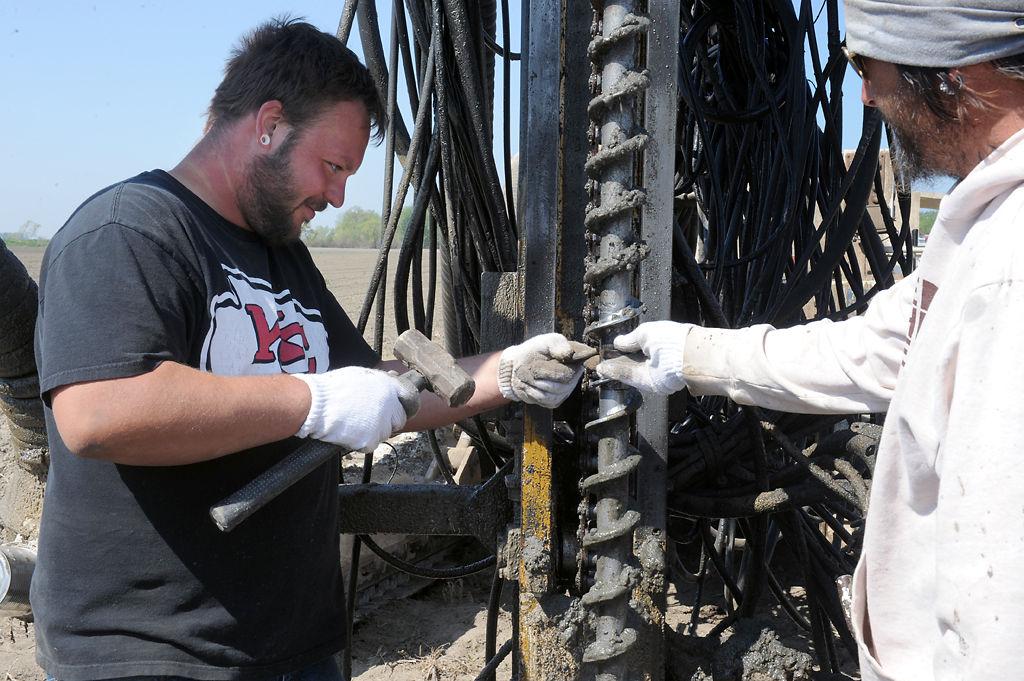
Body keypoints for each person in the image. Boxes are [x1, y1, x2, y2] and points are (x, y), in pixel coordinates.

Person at [31, 18, 583, 681]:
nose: (338, 194)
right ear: (268, 124)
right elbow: (99, 412)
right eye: (332, 166)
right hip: (153, 652)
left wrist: (509, 373)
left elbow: (374, 388)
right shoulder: (129, 232)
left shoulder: (280, 258)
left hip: (292, 648)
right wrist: (311, 400)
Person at [598, 2, 1024, 680]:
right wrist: (692, 354)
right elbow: (881, 347)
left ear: (952, 75)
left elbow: (1003, 592)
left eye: (870, 67)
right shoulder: (987, 224)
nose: (863, 94)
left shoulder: (1009, 266)